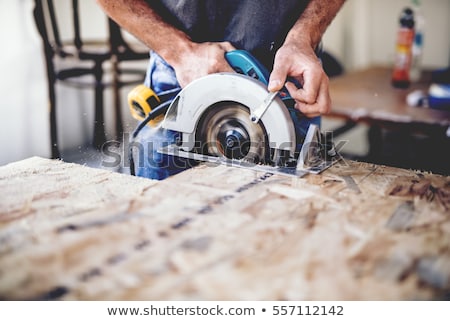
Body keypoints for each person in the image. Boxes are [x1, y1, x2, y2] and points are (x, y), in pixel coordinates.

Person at [96, 0, 346, 179]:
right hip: (183, 70)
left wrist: (304, 36)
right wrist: (178, 51)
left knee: (281, 231)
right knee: (162, 226)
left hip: (284, 78)